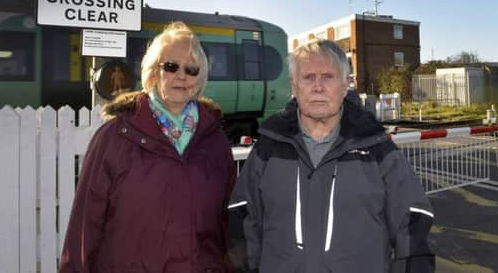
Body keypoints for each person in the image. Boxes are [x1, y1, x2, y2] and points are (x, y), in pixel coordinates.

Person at [231, 39, 434, 272]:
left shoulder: (377, 149)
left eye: (328, 76)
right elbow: (243, 216)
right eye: (308, 78)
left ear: (345, 85)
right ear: (294, 87)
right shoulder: (268, 149)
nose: (318, 87)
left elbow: (413, 221)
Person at [60, 22, 236, 273]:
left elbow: (224, 225)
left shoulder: (216, 141)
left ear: (200, 79)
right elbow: (84, 226)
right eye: (171, 66)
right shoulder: (114, 137)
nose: (182, 75)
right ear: (153, 73)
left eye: (192, 68)